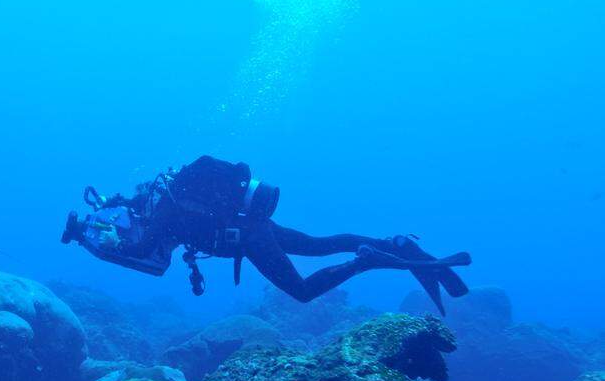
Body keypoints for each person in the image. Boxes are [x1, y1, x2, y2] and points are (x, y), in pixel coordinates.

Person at [60, 155, 470, 314]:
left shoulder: (163, 209)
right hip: (256, 226)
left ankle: (369, 259)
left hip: (249, 240)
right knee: (319, 244)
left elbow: (148, 255)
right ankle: (394, 243)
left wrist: (106, 243)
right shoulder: (173, 194)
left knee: (303, 291)